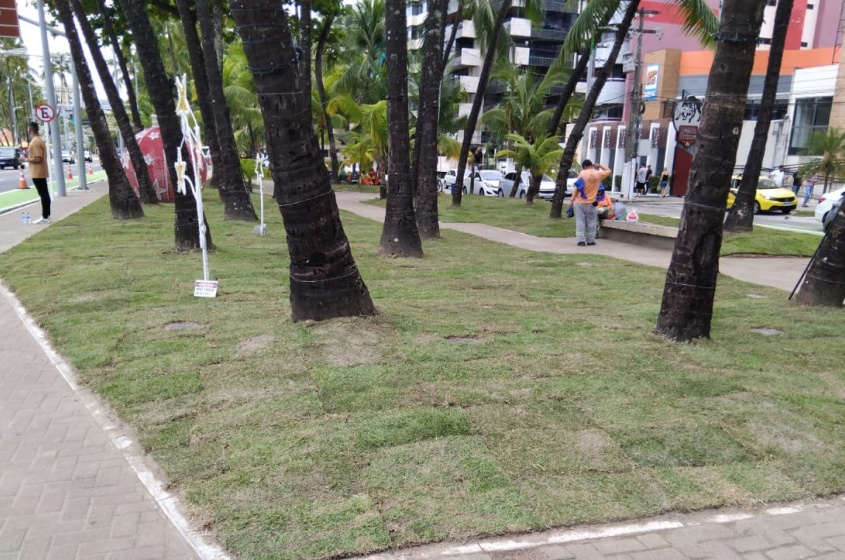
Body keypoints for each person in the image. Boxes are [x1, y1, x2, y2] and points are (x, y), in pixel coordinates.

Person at [567, 159, 611, 246]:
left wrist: (571, 201)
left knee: (580, 221)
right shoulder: (598, 174)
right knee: (591, 222)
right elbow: (609, 171)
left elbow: (577, 188)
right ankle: (590, 240)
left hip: (580, 202)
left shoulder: (582, 174)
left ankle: (581, 241)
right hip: (592, 203)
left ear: (585, 167)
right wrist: (599, 165)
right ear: (591, 165)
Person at [21, 122, 50, 224]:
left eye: (28, 129)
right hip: (39, 171)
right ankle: (46, 215)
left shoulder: (35, 142)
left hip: (38, 172)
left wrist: (25, 159)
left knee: (43, 194)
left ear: (31, 129)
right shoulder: (38, 141)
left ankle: (45, 216)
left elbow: (38, 158)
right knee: (44, 194)